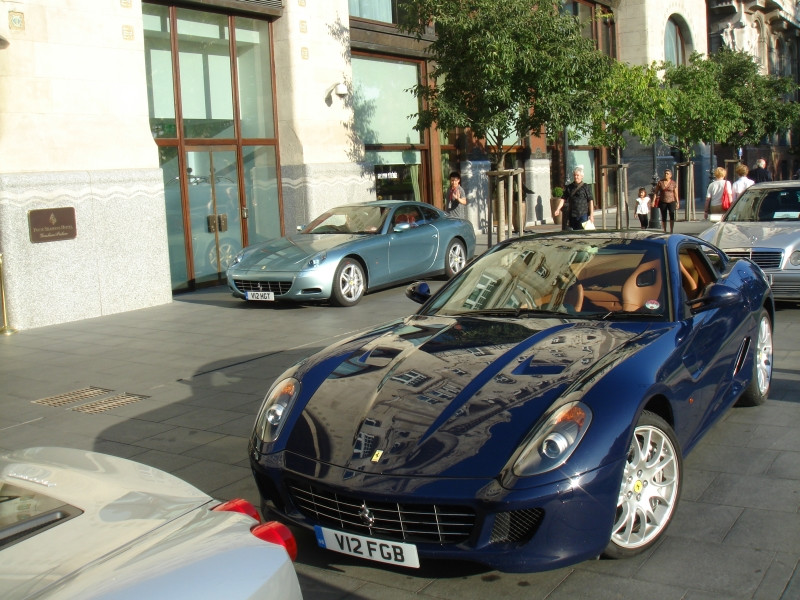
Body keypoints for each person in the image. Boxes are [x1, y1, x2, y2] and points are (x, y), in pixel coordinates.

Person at [554, 166, 594, 230]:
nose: (576, 177)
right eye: (575, 175)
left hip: (583, 214)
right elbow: (563, 199)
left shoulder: (586, 187)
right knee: (574, 233)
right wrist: (558, 209)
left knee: (583, 233)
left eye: (577, 175)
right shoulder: (569, 187)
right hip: (572, 215)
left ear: (582, 176)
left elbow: (590, 201)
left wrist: (591, 215)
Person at [654, 168, 680, 233]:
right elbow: (656, 192)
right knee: (664, 216)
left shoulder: (673, 183)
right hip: (663, 201)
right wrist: (653, 201)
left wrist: (677, 202)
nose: (666, 175)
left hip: (671, 201)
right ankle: (665, 230)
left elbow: (676, 193)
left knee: (672, 215)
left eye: (667, 174)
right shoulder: (660, 182)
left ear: (670, 175)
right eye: (665, 173)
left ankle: (671, 230)